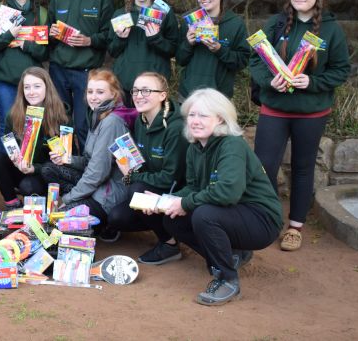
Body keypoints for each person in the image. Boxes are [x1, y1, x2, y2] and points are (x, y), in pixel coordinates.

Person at [250, 0, 350, 252]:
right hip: (275, 108)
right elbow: (255, 61)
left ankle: (295, 227)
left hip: (311, 112)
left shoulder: (331, 29)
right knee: (264, 165)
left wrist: (312, 81)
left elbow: (341, 70)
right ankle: (268, 218)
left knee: (303, 169)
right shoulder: (276, 23)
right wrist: (269, 80)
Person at [162, 88, 282, 306]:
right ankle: (233, 255)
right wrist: (164, 201)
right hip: (233, 213)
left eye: (203, 115)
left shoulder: (232, 145)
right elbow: (192, 187)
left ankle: (227, 279)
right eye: (191, 115)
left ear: (219, 118)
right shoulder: (195, 147)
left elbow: (227, 192)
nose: (195, 121)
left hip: (262, 220)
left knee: (204, 215)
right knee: (171, 216)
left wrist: (185, 203)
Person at [105, 72, 188, 259]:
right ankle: (162, 225)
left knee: (137, 189)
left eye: (146, 90)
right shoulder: (142, 121)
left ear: (163, 95)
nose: (138, 95)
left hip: (177, 193)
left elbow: (171, 177)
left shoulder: (175, 128)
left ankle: (170, 243)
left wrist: (132, 176)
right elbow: (143, 164)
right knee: (117, 218)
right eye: (135, 90)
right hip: (149, 186)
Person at [42, 68, 129, 231]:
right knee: (49, 169)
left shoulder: (112, 122)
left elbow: (98, 172)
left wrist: (68, 199)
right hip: (96, 185)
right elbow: (91, 161)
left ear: (113, 95)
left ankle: (103, 224)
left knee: (56, 223)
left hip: (108, 194)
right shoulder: (98, 115)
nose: (94, 97)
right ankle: (82, 205)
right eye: (90, 91)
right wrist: (68, 160)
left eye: (100, 92)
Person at [48, 0, 114, 149]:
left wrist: (90, 40)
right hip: (58, 69)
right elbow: (48, 32)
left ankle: (89, 171)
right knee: (60, 122)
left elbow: (110, 35)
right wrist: (50, 34)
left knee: (84, 124)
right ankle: (65, 168)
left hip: (86, 71)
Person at [0, 66, 70, 209]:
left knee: (28, 186)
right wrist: (15, 157)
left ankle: (44, 205)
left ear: (47, 87)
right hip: (21, 168)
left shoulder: (61, 117)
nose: (31, 92)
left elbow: (66, 161)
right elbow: (8, 140)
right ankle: (12, 203)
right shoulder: (14, 114)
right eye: (27, 87)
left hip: (46, 173)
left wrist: (35, 169)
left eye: (37, 86)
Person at [0, 0, 48, 144]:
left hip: (32, 83)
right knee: (7, 123)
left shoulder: (41, 14)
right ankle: (6, 168)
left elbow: (44, 53)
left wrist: (24, 44)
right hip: (4, 80)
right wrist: (8, 36)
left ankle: (27, 167)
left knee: (32, 124)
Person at [108, 0, 179, 103]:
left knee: (151, 123)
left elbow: (173, 49)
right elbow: (112, 51)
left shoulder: (165, 13)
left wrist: (156, 38)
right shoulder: (120, 14)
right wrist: (121, 39)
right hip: (125, 85)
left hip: (154, 86)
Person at [176, 0, 249, 99]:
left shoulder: (236, 23)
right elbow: (180, 60)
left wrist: (220, 50)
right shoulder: (189, 21)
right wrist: (188, 43)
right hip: (188, 94)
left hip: (219, 96)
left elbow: (242, 61)